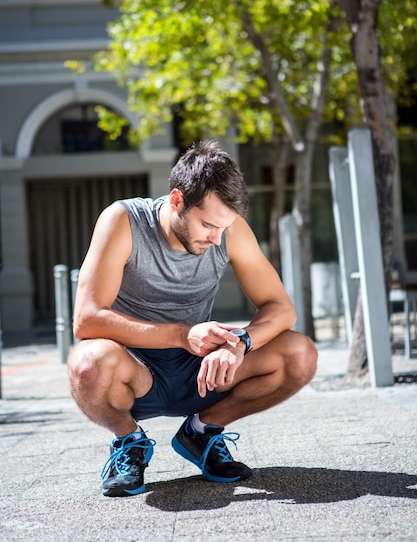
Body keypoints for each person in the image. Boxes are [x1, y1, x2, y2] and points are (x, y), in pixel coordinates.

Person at [68, 139, 317, 497]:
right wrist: (182, 335)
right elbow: (87, 320)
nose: (217, 240)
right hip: (133, 371)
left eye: (224, 228)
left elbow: (281, 308)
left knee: (300, 353)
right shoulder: (123, 220)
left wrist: (241, 344)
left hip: (200, 373)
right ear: (176, 200)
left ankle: (200, 433)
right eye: (208, 226)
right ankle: (130, 442)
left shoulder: (230, 231)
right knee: (87, 362)